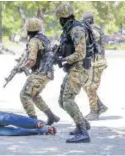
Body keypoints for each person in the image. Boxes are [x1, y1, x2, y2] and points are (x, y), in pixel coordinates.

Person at [55, 4, 93, 143]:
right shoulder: (69, 29)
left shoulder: (76, 29)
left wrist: (63, 60)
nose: (59, 21)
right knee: (61, 101)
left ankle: (83, 132)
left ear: (63, 17)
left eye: (60, 18)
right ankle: (84, 124)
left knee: (68, 100)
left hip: (80, 69)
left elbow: (80, 53)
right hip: (74, 69)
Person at [19, 17, 60, 125]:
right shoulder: (44, 38)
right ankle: (51, 116)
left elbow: (32, 60)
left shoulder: (33, 41)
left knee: (24, 95)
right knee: (34, 95)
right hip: (47, 72)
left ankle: (34, 122)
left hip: (40, 72)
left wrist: (22, 67)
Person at [81, 12, 108, 121]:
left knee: (90, 87)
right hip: (93, 61)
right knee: (85, 84)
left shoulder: (93, 31)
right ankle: (99, 106)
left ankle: (94, 112)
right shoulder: (92, 30)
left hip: (96, 62)